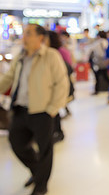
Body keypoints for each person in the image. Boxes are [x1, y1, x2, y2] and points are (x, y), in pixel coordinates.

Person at [0, 24, 69, 195]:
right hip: (20, 109)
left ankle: (41, 184)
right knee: (17, 143)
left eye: (28, 34)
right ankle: (37, 172)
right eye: (24, 34)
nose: (24, 37)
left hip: (42, 111)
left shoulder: (51, 56)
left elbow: (62, 83)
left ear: (40, 38)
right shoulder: (20, 56)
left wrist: (52, 109)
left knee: (45, 148)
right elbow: (9, 78)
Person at [45, 31, 73, 143]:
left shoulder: (56, 53)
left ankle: (57, 132)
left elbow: (68, 69)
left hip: (57, 85)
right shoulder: (47, 53)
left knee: (54, 110)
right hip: (50, 86)